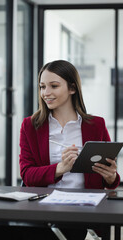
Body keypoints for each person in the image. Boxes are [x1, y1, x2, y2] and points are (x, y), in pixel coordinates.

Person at [19, 59, 120, 239]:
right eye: (42, 87)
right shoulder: (30, 126)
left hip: (85, 211)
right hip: (43, 209)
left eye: (54, 86)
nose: (46, 93)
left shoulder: (96, 125)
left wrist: (111, 176)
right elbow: (27, 175)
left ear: (72, 88)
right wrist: (60, 168)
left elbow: (110, 181)